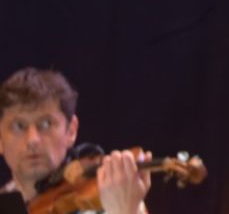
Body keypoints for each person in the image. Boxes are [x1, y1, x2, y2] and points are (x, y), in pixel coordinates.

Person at [0, 68, 150, 214]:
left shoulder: (111, 203)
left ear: (71, 131)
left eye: (46, 124)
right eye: (18, 126)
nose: (32, 140)